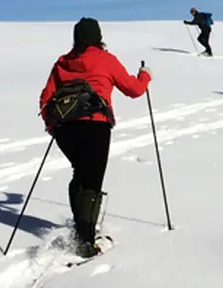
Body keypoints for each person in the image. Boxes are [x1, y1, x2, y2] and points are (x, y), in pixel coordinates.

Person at [39, 17, 151, 258]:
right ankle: (86, 240)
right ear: (98, 36)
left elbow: (46, 99)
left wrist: (53, 126)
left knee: (80, 173)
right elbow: (134, 89)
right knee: (92, 180)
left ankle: (82, 229)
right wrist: (145, 76)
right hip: (95, 126)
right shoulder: (105, 60)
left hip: (65, 129)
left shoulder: (62, 62)